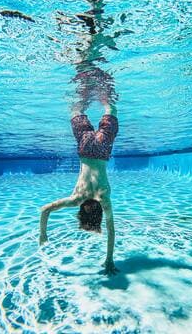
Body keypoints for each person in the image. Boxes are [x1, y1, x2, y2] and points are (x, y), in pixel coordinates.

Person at [39, 79, 119, 276]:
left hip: (102, 150)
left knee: (110, 107)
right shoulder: (76, 199)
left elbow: (111, 231)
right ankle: (83, 84)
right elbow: (45, 210)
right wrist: (42, 234)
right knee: (76, 109)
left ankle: (103, 86)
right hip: (84, 148)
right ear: (81, 211)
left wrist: (109, 259)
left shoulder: (104, 200)